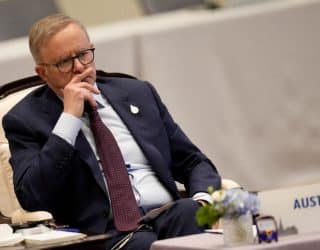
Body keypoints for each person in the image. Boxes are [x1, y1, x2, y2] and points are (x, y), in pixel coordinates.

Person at [2, 14, 221, 250]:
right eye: (64, 62)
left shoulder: (138, 93)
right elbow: (33, 196)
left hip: (170, 216)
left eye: (84, 55)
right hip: (106, 235)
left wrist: (202, 200)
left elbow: (193, 161)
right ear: (43, 73)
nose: (79, 67)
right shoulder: (25, 120)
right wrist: (69, 118)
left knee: (189, 213)